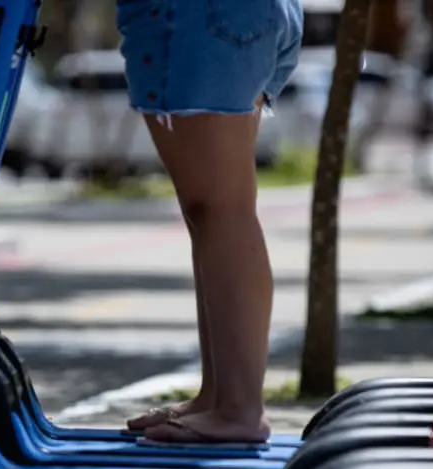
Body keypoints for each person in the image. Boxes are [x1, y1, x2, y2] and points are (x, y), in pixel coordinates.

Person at [118, 0, 303, 445]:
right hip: (234, 15)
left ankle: (239, 409)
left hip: (200, 16)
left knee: (223, 210)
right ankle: (219, 397)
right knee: (212, 211)